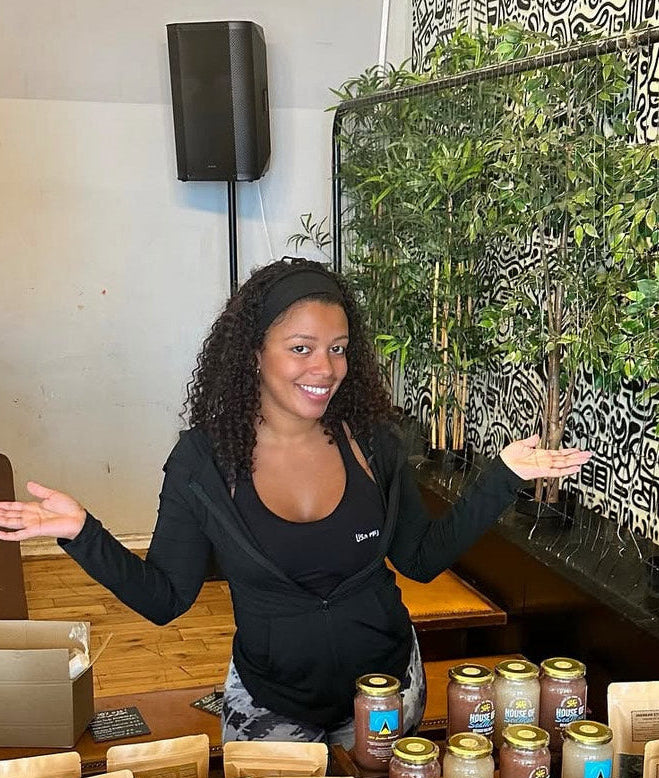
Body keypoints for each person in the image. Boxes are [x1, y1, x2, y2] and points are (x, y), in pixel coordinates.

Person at [0, 257, 590, 746]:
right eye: (301, 348)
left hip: (385, 693)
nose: (325, 369)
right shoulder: (203, 462)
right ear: (254, 353)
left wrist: (501, 477)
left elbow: (420, 558)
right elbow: (165, 599)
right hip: (271, 703)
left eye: (339, 348)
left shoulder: (373, 442)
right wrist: (83, 534)